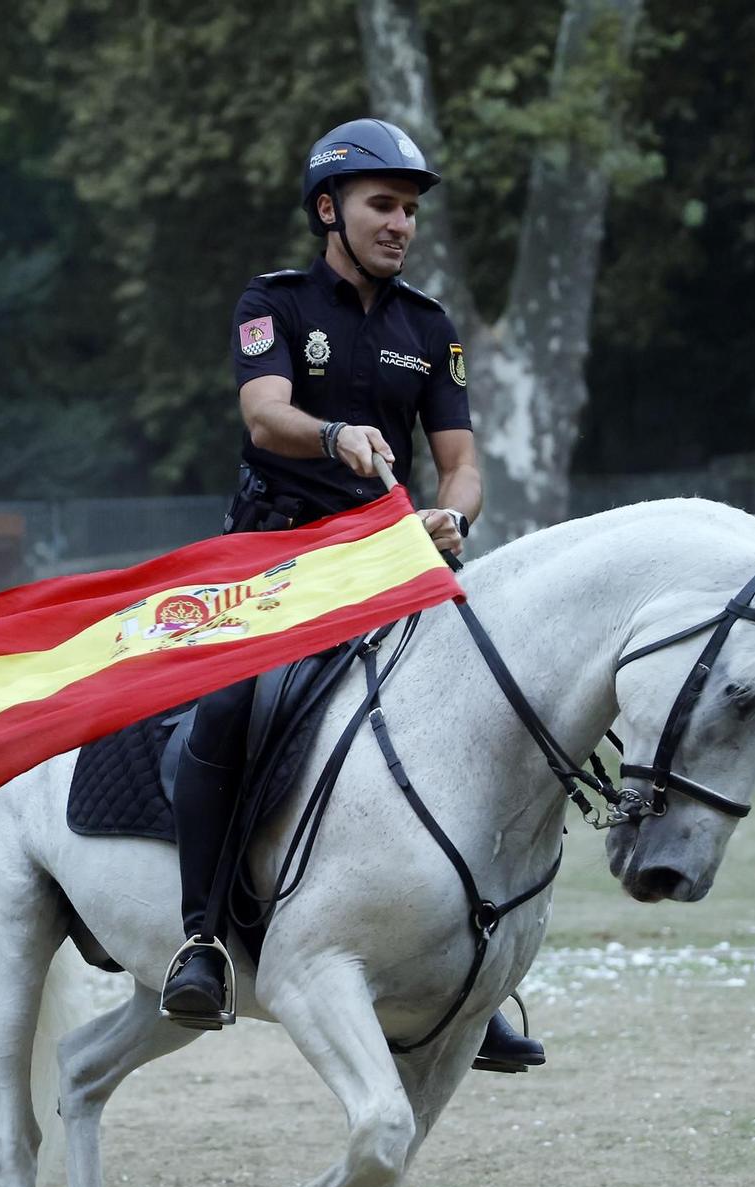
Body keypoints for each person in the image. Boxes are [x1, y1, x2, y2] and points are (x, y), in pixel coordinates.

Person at [158, 118, 545, 1072]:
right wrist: (334, 438)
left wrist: (453, 518)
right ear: (329, 209)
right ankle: (200, 937)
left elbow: (461, 465)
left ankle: (477, 968)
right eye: (383, 204)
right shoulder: (275, 302)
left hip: (392, 559)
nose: (401, 223)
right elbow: (264, 411)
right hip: (279, 556)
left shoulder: (430, 326)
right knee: (231, 706)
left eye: (410, 209)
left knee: (492, 713)